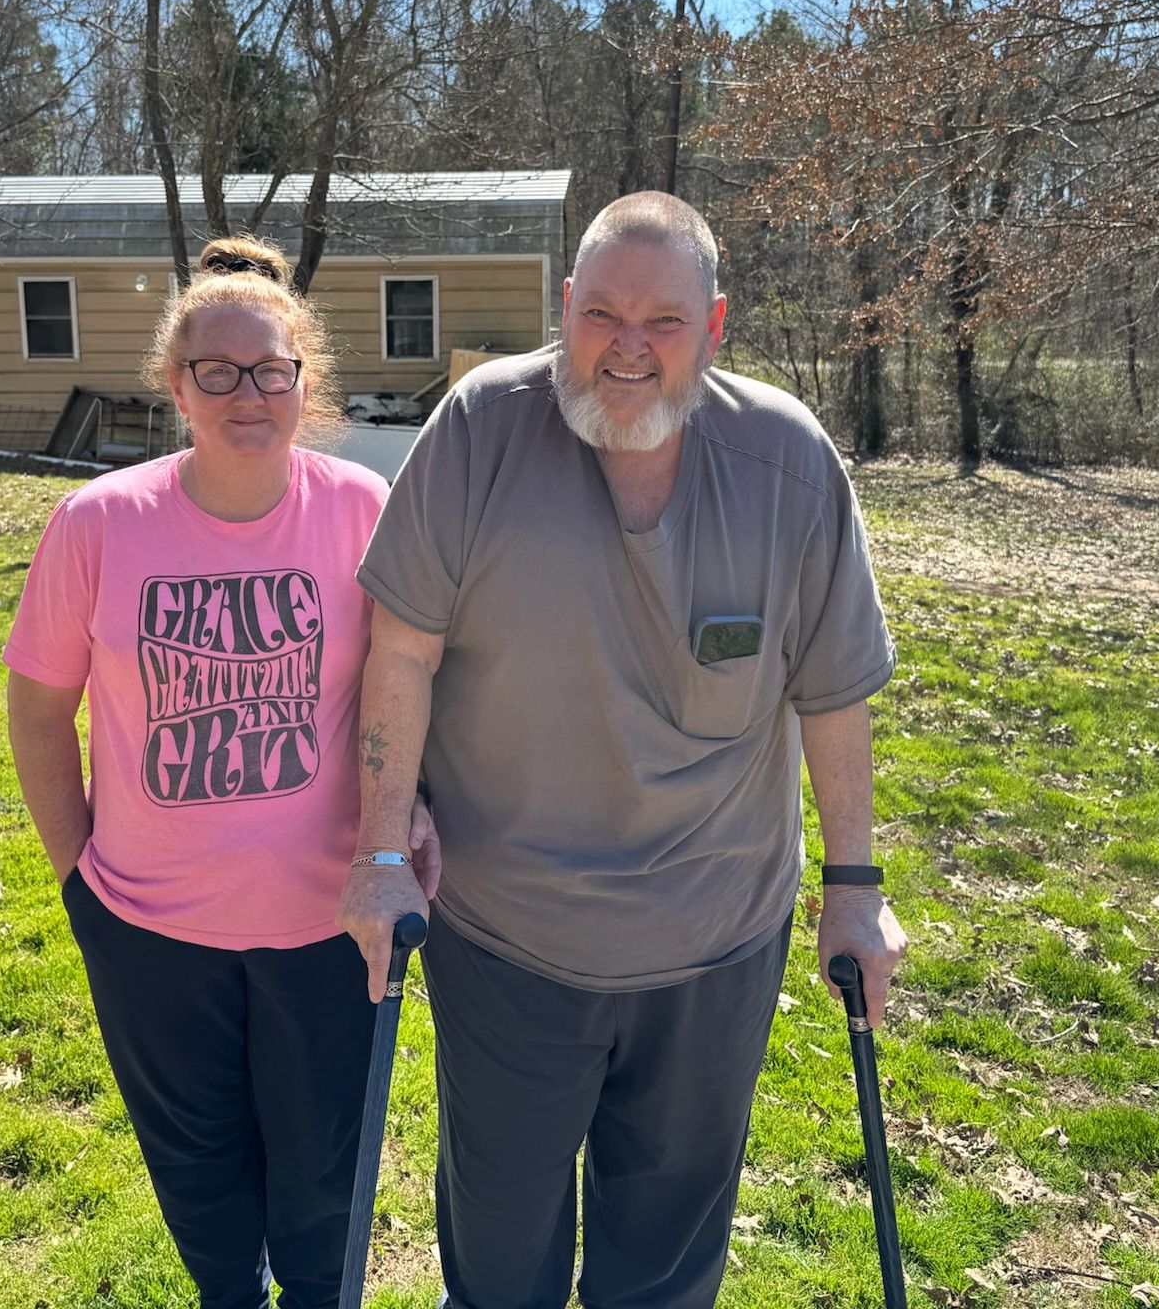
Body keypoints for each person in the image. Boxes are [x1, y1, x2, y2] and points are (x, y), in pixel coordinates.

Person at [338, 192, 905, 1309]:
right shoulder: (480, 428)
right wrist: (378, 852)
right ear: (564, 309)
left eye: (665, 322)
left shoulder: (788, 462)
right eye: (600, 315)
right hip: (509, 942)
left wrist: (853, 886)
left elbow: (832, 692)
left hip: (716, 943)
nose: (627, 350)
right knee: (500, 1270)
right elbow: (397, 651)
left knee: (661, 1272)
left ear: (717, 323)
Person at [5, 236, 436, 1309]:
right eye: (218, 371)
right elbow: (36, 711)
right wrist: (81, 882)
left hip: (327, 928)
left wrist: (404, 812)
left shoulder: (357, 512)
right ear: (175, 385)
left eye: (271, 369)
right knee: (198, 1178)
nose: (248, 393)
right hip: (148, 930)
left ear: (303, 380)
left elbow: (404, 684)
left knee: (322, 1184)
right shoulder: (98, 524)